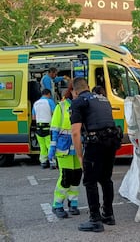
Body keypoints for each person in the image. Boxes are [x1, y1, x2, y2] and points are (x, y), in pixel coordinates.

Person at [70, 77, 120, 232]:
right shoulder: (103, 99)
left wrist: (79, 156)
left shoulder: (78, 102)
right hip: (111, 141)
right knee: (106, 179)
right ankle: (108, 215)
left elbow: (76, 132)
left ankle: (95, 220)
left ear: (75, 91)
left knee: (90, 181)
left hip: (96, 143)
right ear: (88, 86)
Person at [48, 82, 83, 219]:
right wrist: (52, 148)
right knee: (66, 177)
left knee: (76, 177)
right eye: (77, 92)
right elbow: (54, 129)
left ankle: (73, 202)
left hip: (78, 148)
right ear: (72, 91)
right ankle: (57, 204)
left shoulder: (81, 106)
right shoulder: (61, 107)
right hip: (64, 148)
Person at [32, 89, 56, 169]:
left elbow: (33, 117)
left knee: (42, 146)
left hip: (39, 127)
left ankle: (43, 162)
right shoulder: (50, 101)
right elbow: (55, 113)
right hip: (48, 127)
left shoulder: (36, 103)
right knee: (49, 145)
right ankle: (52, 162)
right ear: (48, 94)